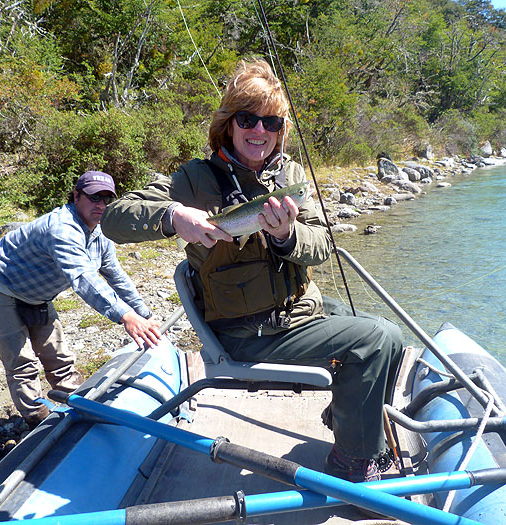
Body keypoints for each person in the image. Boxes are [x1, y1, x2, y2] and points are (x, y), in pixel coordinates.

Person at [101, 60, 403, 483]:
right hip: (248, 333)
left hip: (296, 312)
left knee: (390, 334)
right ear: (229, 123)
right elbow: (114, 219)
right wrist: (175, 216)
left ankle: (348, 419)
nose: (259, 130)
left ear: (280, 129)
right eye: (248, 118)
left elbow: (321, 247)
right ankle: (352, 464)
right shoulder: (195, 179)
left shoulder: (291, 177)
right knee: (377, 339)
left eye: (271, 121)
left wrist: (287, 236)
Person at [0, 171, 162, 430]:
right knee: (22, 363)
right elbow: (84, 279)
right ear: (76, 196)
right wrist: (125, 316)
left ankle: (79, 407)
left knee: (59, 356)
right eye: (94, 197)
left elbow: (115, 274)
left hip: (36, 293)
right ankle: (37, 421)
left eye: (107, 199)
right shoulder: (62, 228)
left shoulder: (100, 233)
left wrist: (144, 314)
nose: (101, 205)